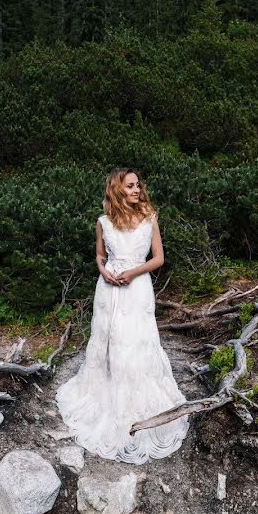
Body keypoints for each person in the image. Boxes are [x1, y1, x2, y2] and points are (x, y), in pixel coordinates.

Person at [55, 167, 190, 464]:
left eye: (138, 185)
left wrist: (132, 272)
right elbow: (100, 256)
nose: (136, 190)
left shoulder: (149, 218)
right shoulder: (103, 222)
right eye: (130, 186)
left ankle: (137, 404)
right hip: (108, 290)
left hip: (137, 287)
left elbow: (158, 258)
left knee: (136, 342)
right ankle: (109, 398)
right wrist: (103, 270)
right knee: (111, 342)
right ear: (117, 189)